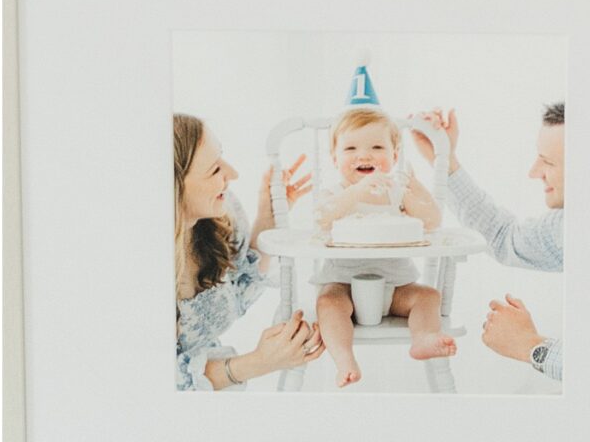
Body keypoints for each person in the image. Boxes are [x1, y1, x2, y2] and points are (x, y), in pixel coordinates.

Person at [415, 100, 564, 382]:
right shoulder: (564, 227)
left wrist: (530, 346)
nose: (533, 172)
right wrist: (444, 160)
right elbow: (503, 236)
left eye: (548, 161)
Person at [173, 115, 322, 391]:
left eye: (222, 157)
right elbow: (164, 381)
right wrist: (260, 361)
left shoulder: (218, 215)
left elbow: (237, 289)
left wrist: (268, 215)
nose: (233, 174)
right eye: (214, 170)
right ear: (175, 189)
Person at [308, 106, 454, 386]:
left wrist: (416, 190)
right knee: (327, 304)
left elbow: (432, 221)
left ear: (394, 156)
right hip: (344, 286)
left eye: (377, 146)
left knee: (428, 297)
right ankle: (344, 359)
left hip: (396, 287)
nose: (364, 155)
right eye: (350, 148)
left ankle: (423, 338)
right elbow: (320, 218)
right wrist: (356, 193)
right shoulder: (336, 194)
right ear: (334, 159)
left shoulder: (397, 194)